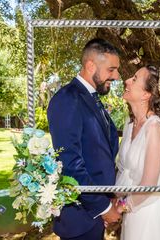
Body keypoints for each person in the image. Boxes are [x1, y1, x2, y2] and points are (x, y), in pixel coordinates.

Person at [47, 38, 121, 240]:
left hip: (92, 218)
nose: (116, 76)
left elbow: (100, 155)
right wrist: (104, 207)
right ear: (90, 66)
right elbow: (69, 163)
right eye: (111, 69)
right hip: (79, 219)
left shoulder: (91, 99)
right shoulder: (67, 99)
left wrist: (111, 197)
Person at [115, 65, 160, 240]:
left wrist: (121, 207)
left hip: (150, 214)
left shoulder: (154, 127)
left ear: (146, 94)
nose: (126, 81)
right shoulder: (131, 124)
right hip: (133, 211)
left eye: (134, 79)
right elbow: (125, 172)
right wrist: (116, 200)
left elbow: (150, 184)